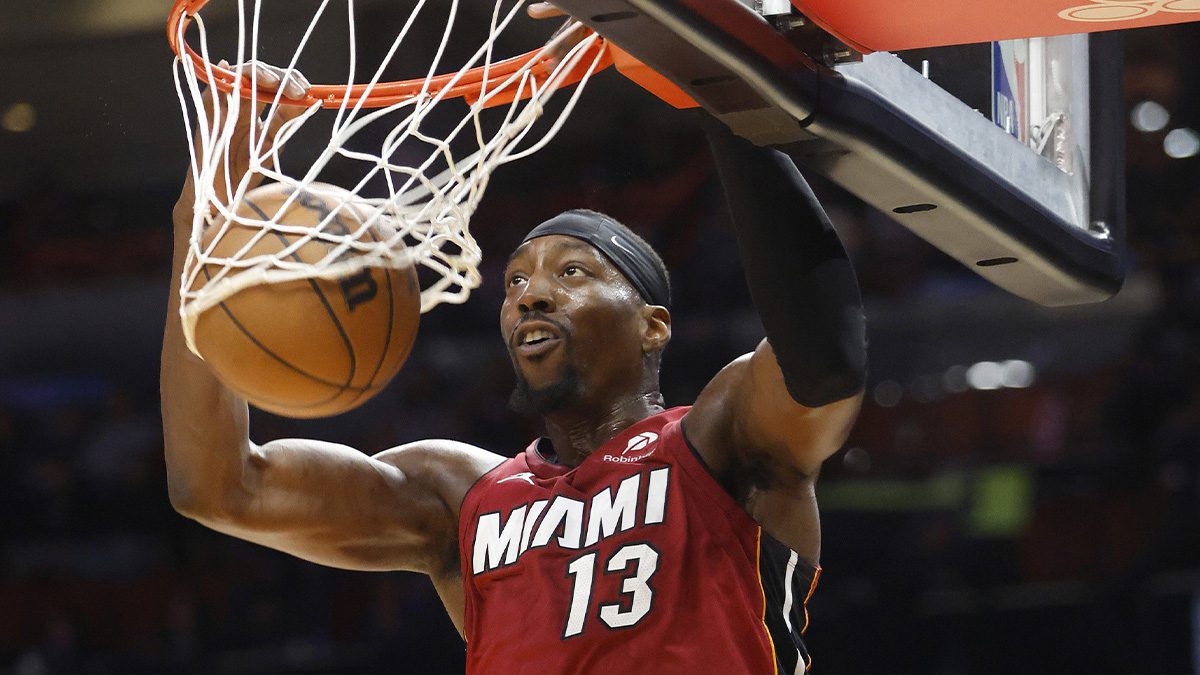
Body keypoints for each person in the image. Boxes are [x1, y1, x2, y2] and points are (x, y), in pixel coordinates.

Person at [162, 61, 866, 674]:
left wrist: (719, 86)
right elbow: (221, 484)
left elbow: (824, 362)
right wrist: (208, 211)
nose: (530, 291)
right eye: (515, 281)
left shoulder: (720, 437)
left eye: (571, 271)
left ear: (652, 325)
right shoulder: (459, 495)